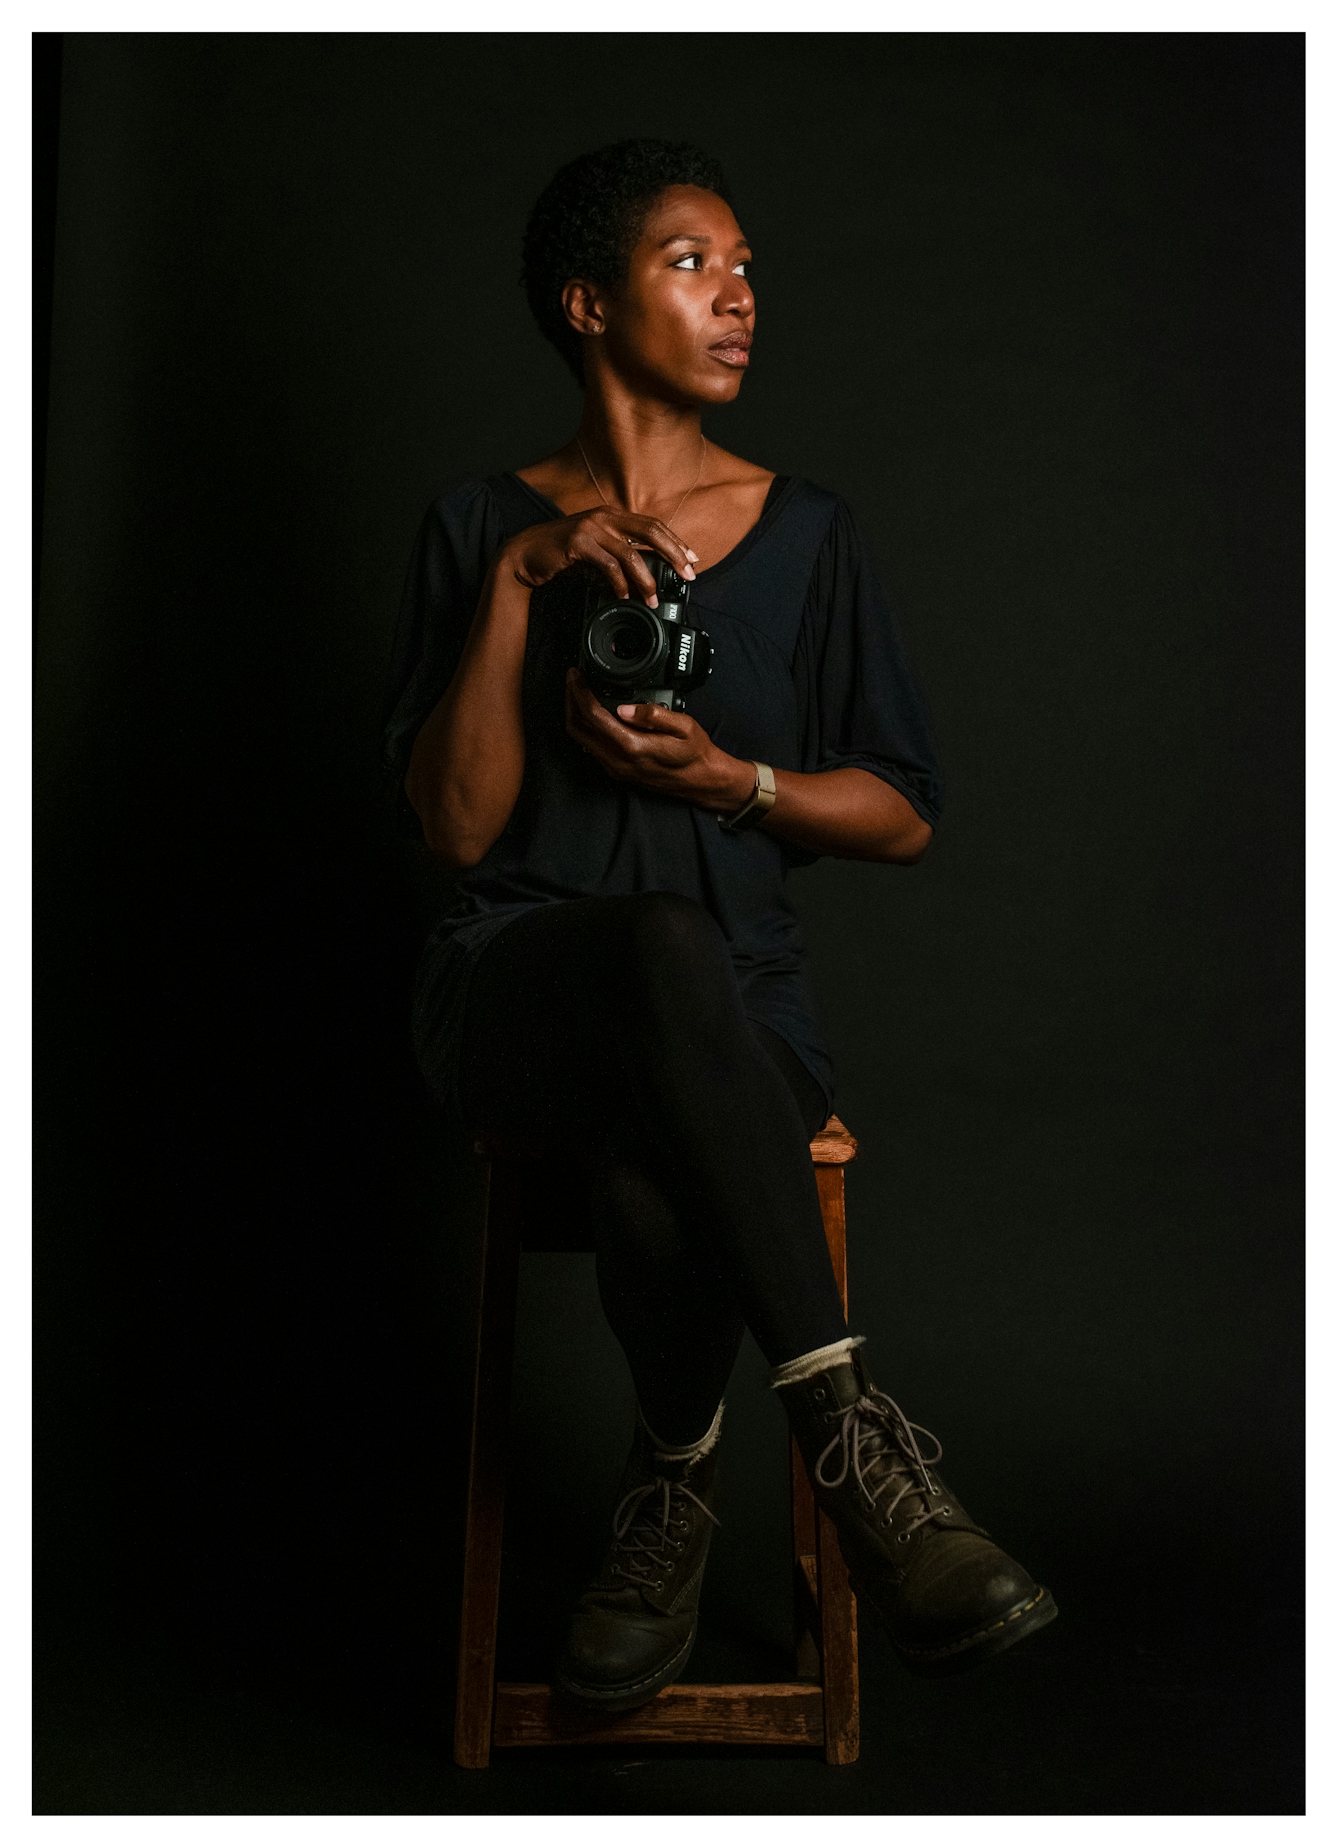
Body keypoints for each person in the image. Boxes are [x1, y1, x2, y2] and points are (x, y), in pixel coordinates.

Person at [382, 138, 1055, 1710]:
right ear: (586, 303)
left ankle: (670, 1482)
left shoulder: (806, 532)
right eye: (695, 265)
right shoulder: (478, 524)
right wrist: (514, 588)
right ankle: (855, 1442)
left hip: (729, 1012)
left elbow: (902, 811)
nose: (741, 298)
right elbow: (459, 830)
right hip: (512, 989)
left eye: (748, 270)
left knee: (662, 1093)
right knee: (648, 960)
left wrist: (739, 781)